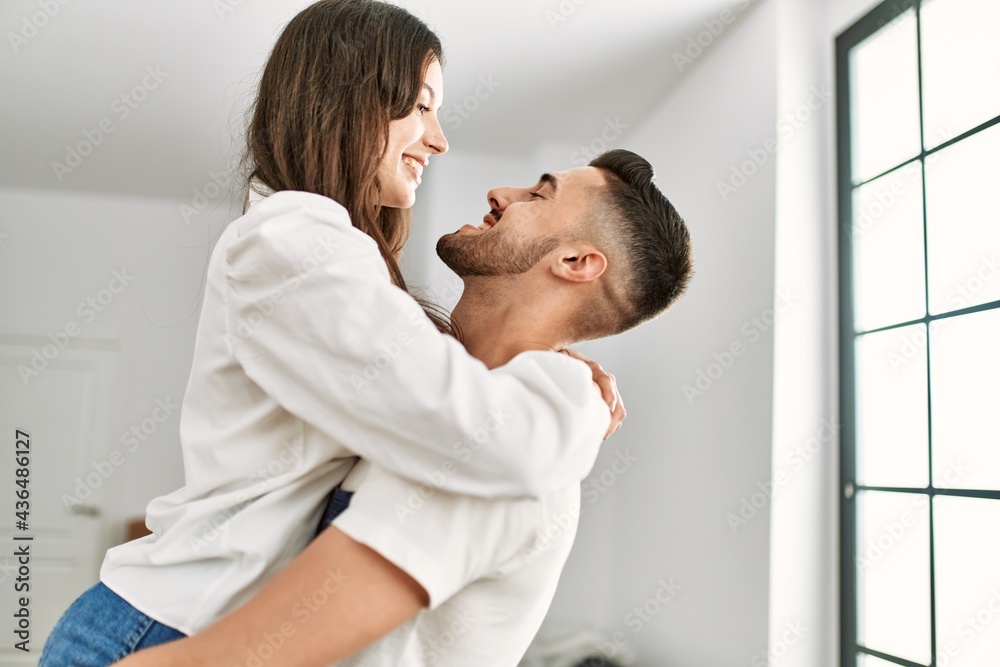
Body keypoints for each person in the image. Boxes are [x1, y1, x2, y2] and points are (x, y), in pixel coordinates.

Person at [38, 2, 623, 665]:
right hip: (157, 631)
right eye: (422, 106)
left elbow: (433, 394)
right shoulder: (292, 241)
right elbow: (480, 433)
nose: (439, 138)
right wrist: (573, 395)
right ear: (356, 96)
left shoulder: (331, 253)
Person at [112, 148, 694, 666]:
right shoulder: (445, 408)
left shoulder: (497, 454)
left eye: (539, 195)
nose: (499, 192)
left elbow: (252, 654)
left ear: (575, 263)